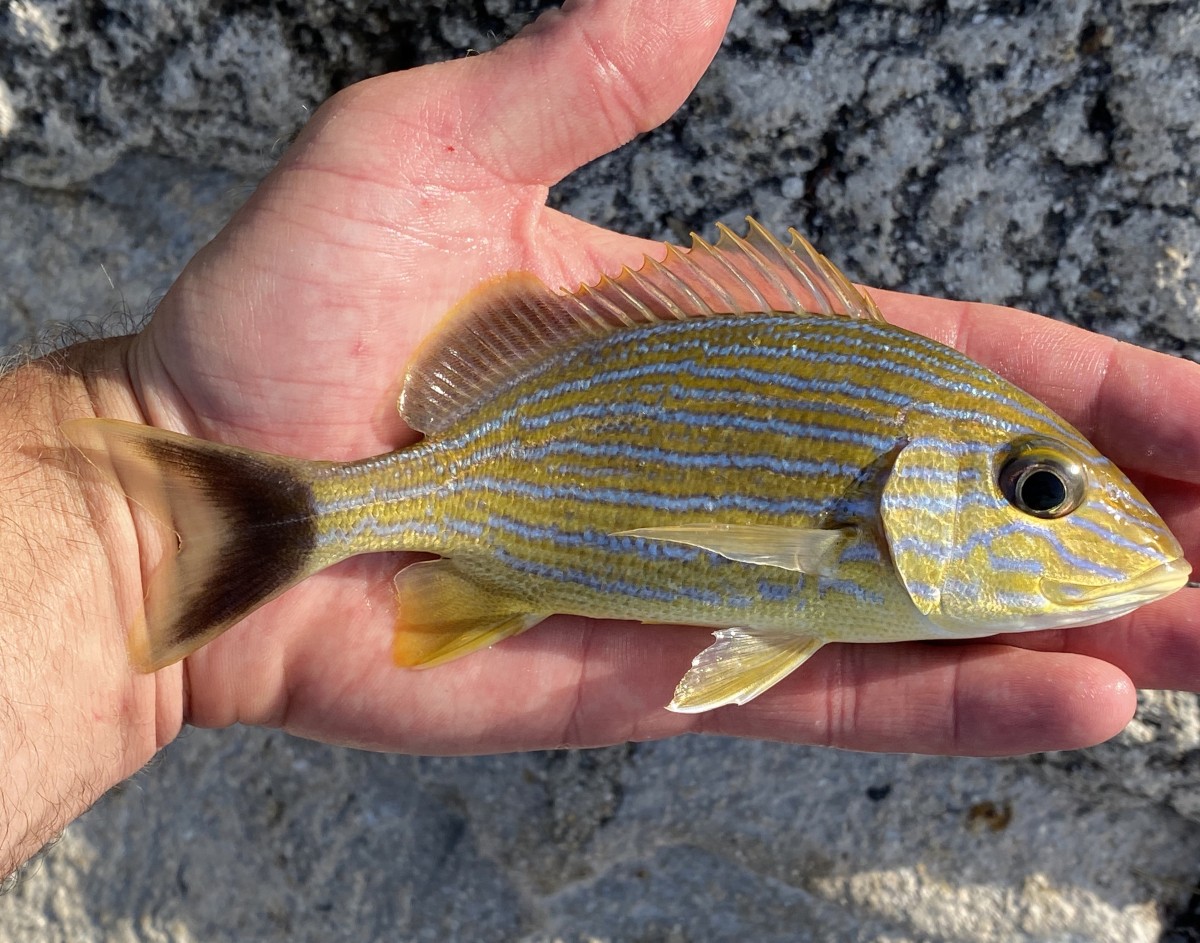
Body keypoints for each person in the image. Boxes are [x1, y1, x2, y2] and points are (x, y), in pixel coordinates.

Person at [2, 0, 1196, 879]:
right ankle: (258, 517)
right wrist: (128, 492)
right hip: (499, 466)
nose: (1057, 505)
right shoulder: (882, 507)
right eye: (1038, 484)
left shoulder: (893, 546)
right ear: (928, 480)